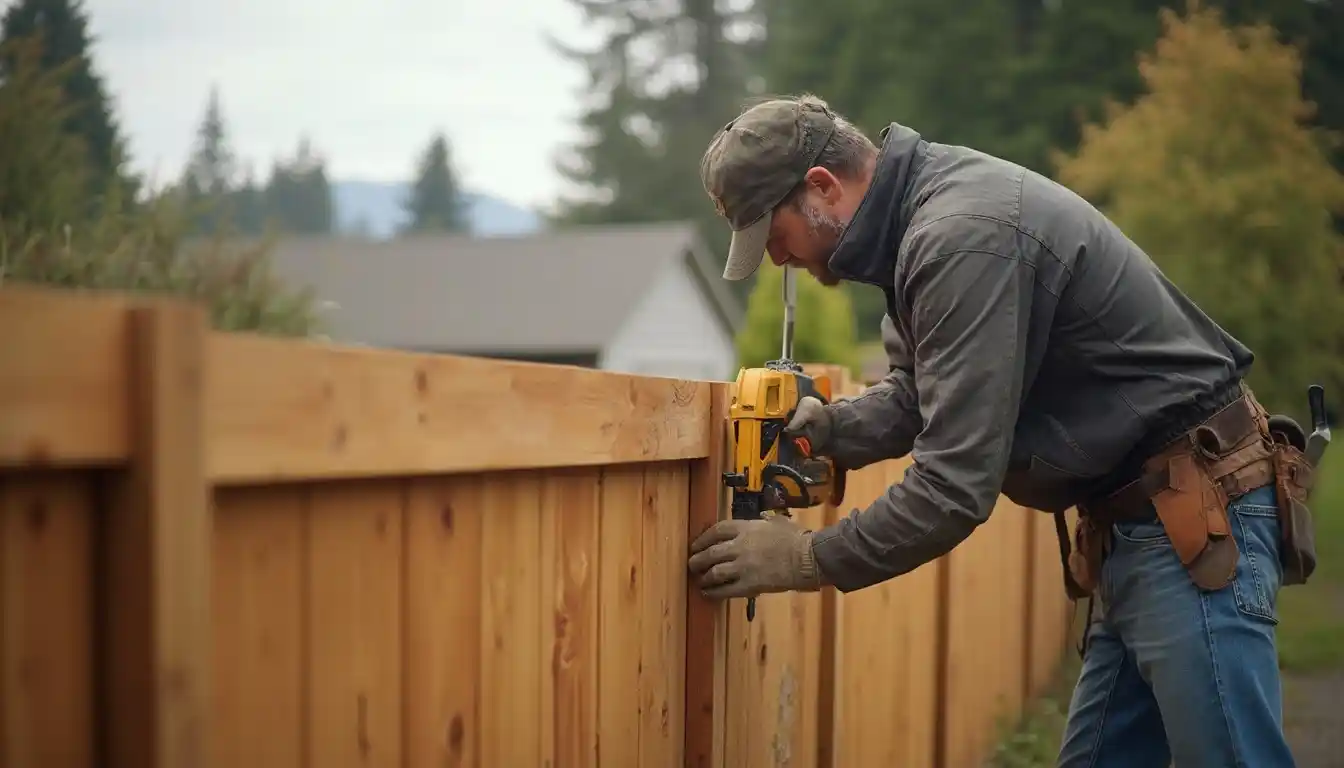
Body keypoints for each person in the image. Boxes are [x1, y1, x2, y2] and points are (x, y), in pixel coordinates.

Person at [685, 94, 1315, 767]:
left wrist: (803, 559)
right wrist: (831, 429)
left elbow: (953, 487)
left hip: (1192, 521)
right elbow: (919, 394)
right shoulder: (915, 226)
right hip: (1138, 528)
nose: (778, 259)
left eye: (773, 234)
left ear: (821, 187)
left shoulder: (961, 234)